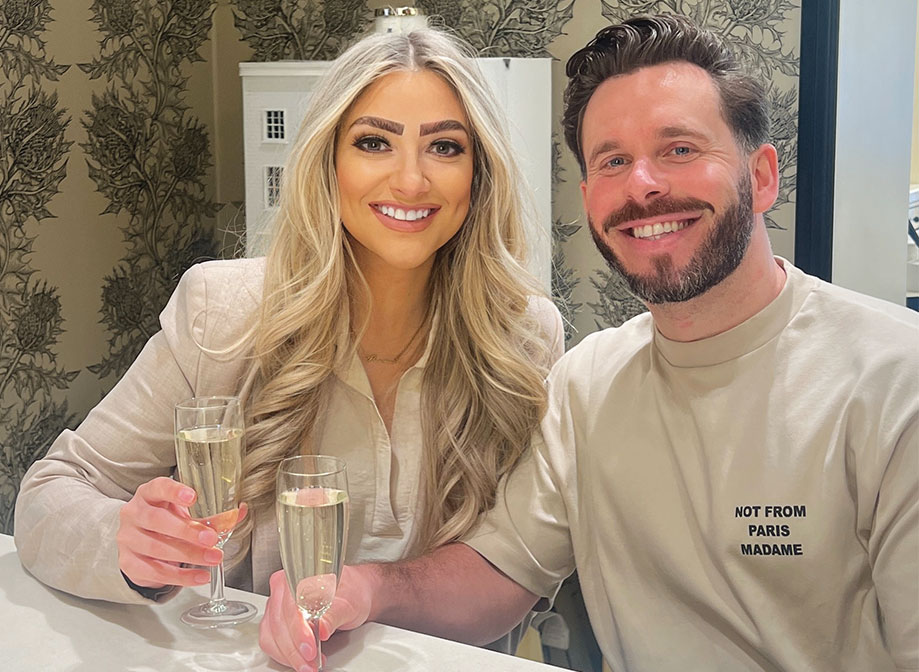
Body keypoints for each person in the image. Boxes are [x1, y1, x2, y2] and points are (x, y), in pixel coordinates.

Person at [258, 14, 919, 672]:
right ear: (588, 197)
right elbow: (495, 577)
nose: (643, 185)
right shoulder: (586, 385)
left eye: (679, 149)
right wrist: (368, 588)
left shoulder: (895, 382)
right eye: (613, 161)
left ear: (763, 176)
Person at [13, 27, 563, 635]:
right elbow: (52, 490)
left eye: (445, 148)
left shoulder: (524, 337)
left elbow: (515, 570)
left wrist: (371, 593)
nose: (410, 181)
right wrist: (127, 543)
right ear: (326, 163)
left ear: (479, 175)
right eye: (374, 142)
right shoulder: (219, 313)